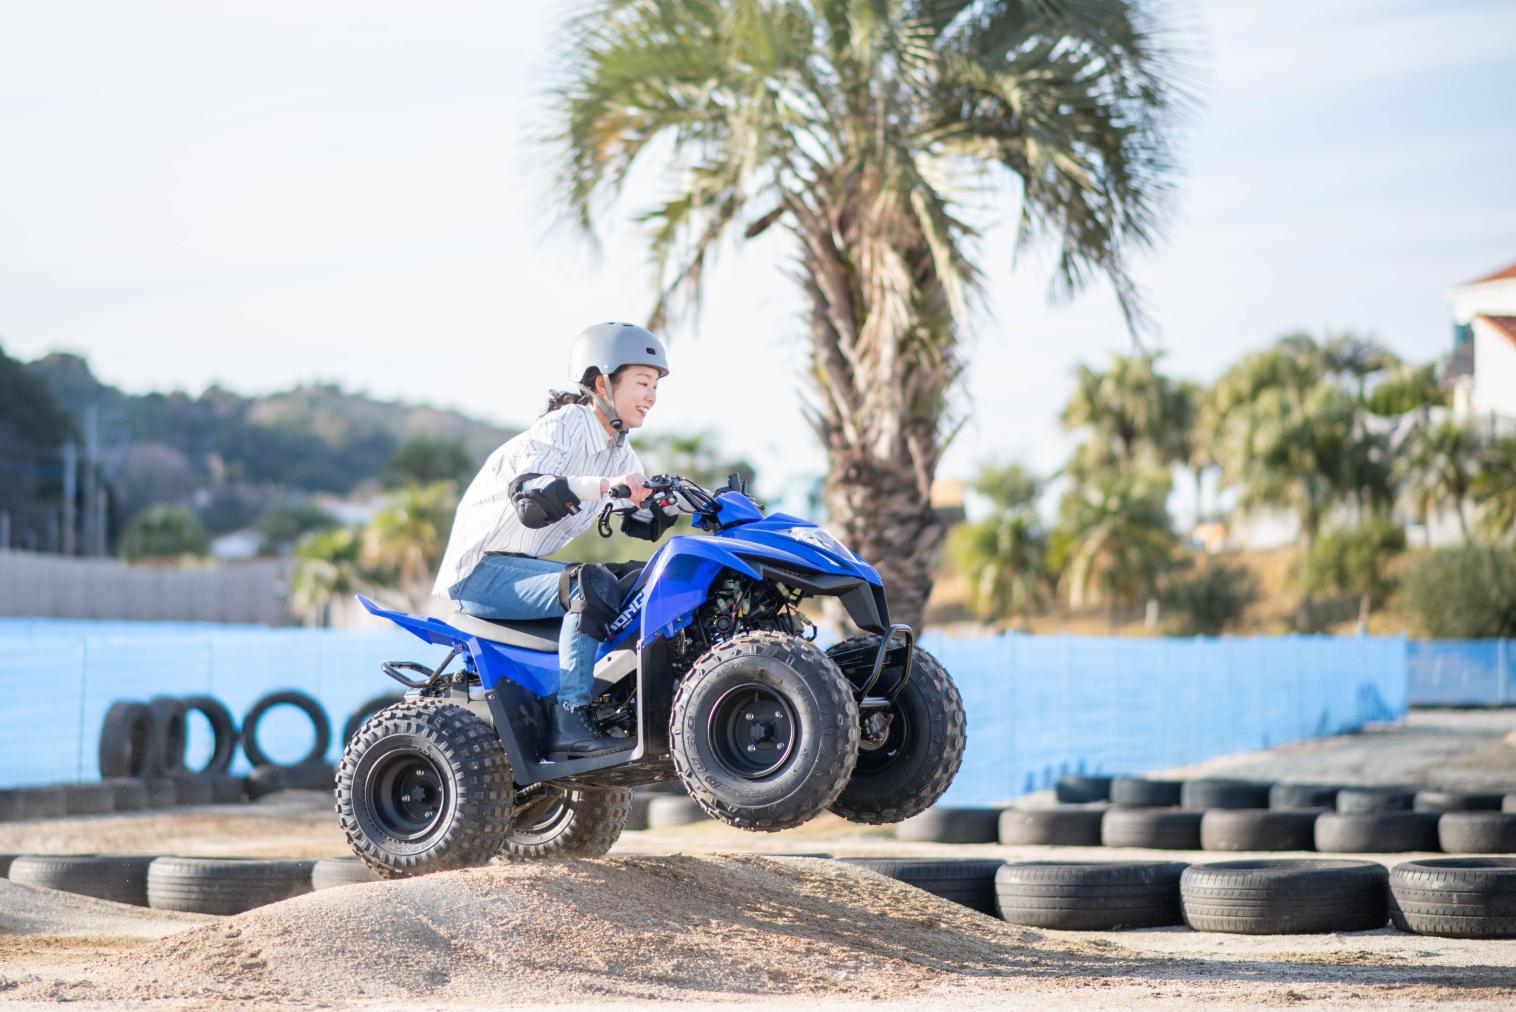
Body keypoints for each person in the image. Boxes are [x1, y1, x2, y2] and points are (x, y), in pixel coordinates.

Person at [431, 321, 675, 757]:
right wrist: (606, 486)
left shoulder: (620, 452)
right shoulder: (564, 426)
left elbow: (639, 520)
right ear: (602, 384)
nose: (652, 396)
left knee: (640, 581)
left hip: (521, 570)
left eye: (655, 385)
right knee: (588, 584)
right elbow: (531, 494)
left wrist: (672, 504)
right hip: (478, 573)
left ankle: (625, 708)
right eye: (642, 382)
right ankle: (571, 715)